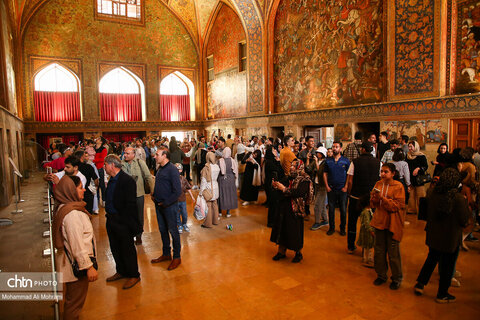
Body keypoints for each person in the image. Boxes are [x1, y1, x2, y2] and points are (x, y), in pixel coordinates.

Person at [414, 168, 470, 303]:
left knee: (431, 259)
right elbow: (464, 220)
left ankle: (420, 284)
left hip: (434, 233)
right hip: (450, 236)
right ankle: (442, 294)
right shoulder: (458, 198)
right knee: (447, 266)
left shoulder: (432, 192)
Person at [53, 175, 98, 320]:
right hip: (75, 266)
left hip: (71, 263)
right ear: (70, 190)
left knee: (73, 300)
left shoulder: (66, 206)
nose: (83, 190)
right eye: (80, 188)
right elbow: (77, 244)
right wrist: (88, 267)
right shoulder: (72, 214)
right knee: (74, 304)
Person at [104, 154, 141, 289]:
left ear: (112, 165)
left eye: (105, 165)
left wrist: (124, 221)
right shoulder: (112, 179)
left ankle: (133, 275)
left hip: (122, 221)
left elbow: (130, 205)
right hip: (111, 219)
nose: (104, 167)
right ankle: (121, 271)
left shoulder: (127, 180)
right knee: (115, 247)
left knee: (127, 248)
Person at [370, 163, 406, 290]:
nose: (383, 174)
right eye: (382, 171)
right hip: (379, 221)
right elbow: (373, 203)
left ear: (393, 173)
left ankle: (396, 278)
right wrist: (374, 198)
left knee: (393, 253)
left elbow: (397, 206)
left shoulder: (398, 186)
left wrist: (383, 199)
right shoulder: (378, 184)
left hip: (392, 223)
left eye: (386, 172)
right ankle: (381, 275)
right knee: (379, 251)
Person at [270, 159, 313, 263]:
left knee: (295, 231)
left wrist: (284, 189)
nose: (291, 167)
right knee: (282, 229)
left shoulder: (305, 179)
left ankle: (298, 253)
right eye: (291, 165)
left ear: (299, 167)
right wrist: (276, 186)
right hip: (284, 207)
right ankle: (281, 252)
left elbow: (299, 192)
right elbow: (281, 189)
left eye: (294, 165)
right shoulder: (287, 177)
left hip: (296, 209)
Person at [150, 148, 182, 270]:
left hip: (169, 206)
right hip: (159, 205)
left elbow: (177, 191)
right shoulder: (160, 169)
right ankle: (166, 254)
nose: (155, 156)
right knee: (163, 230)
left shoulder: (172, 170)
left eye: (157, 154)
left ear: (165, 156)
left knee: (173, 231)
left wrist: (165, 203)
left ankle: (177, 257)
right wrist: (154, 195)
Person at [346, 142, 380, 253]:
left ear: (363, 150)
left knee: (352, 222)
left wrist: (349, 193)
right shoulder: (378, 162)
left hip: (356, 197)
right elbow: (379, 181)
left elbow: (350, 181)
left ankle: (351, 246)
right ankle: (368, 249)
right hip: (370, 199)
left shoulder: (355, 162)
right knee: (370, 223)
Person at [121, 147, 153, 245]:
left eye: (127, 153)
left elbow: (148, 176)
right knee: (128, 215)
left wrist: (152, 191)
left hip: (138, 194)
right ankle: (130, 234)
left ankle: (139, 235)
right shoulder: (121, 164)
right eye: (124, 153)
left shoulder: (140, 163)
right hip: (126, 195)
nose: (125, 155)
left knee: (139, 216)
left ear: (133, 154)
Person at [323, 141, 350, 236]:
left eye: (337, 147)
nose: (335, 148)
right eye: (333, 147)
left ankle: (342, 228)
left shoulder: (346, 161)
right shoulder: (328, 160)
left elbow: (349, 175)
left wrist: (346, 186)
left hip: (342, 189)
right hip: (331, 189)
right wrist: (326, 186)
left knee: (343, 209)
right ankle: (332, 228)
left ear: (341, 149)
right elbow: (325, 174)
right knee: (331, 209)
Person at [405, 141, 428, 214]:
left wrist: (418, 169)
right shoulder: (407, 156)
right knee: (411, 195)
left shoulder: (421, 156)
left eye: (411, 146)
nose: (410, 148)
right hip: (410, 178)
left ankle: (421, 211)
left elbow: (425, 166)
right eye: (409, 147)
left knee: (420, 195)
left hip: (419, 179)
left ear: (416, 147)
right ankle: (411, 209)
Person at [264, 146, 284, 227]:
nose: (275, 151)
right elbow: (278, 170)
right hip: (271, 185)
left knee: (275, 204)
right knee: (273, 204)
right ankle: (271, 222)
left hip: (273, 184)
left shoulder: (271, 160)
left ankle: (274, 221)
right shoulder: (269, 162)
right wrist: (278, 161)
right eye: (273, 150)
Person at [74, 150, 99, 214]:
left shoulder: (73, 167)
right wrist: (96, 186)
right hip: (87, 192)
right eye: (85, 156)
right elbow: (96, 179)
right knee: (88, 212)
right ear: (81, 158)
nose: (87, 158)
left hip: (74, 192)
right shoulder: (88, 167)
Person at [200, 152, 221, 227]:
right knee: (215, 204)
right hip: (216, 186)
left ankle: (208, 223)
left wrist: (201, 192)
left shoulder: (206, 168)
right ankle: (215, 220)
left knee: (208, 205)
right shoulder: (216, 166)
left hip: (209, 187)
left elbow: (203, 180)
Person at [311, 146, 329, 230]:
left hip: (322, 186)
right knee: (321, 204)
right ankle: (325, 220)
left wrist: (316, 163)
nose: (317, 154)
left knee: (317, 205)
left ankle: (317, 222)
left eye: (318, 153)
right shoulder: (320, 161)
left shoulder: (325, 162)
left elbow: (320, 173)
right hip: (317, 184)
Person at [217, 147, 238, 218]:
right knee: (229, 195)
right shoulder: (232, 160)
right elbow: (235, 171)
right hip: (231, 180)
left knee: (221, 195)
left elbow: (217, 171)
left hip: (222, 179)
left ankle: (220, 212)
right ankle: (228, 212)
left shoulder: (220, 161)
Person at [174, 163, 194, 233]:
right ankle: (179, 225)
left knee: (184, 214)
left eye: (179, 169)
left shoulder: (183, 179)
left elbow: (188, 188)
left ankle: (184, 224)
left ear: (181, 170)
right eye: (176, 169)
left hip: (182, 200)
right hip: (175, 201)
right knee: (177, 214)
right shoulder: (172, 179)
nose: (177, 171)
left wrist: (192, 197)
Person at [357, 194, 374, 268]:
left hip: (368, 231)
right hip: (367, 232)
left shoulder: (369, 210)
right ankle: (366, 259)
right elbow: (367, 223)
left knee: (369, 246)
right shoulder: (366, 212)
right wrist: (371, 231)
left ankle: (368, 258)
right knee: (367, 247)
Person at [94, 137, 108, 207]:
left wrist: (94, 160)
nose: (97, 140)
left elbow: (103, 158)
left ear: (101, 141)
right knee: (95, 184)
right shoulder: (94, 148)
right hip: (94, 168)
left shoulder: (103, 149)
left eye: (98, 139)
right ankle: (97, 200)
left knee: (102, 185)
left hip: (100, 168)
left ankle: (104, 200)